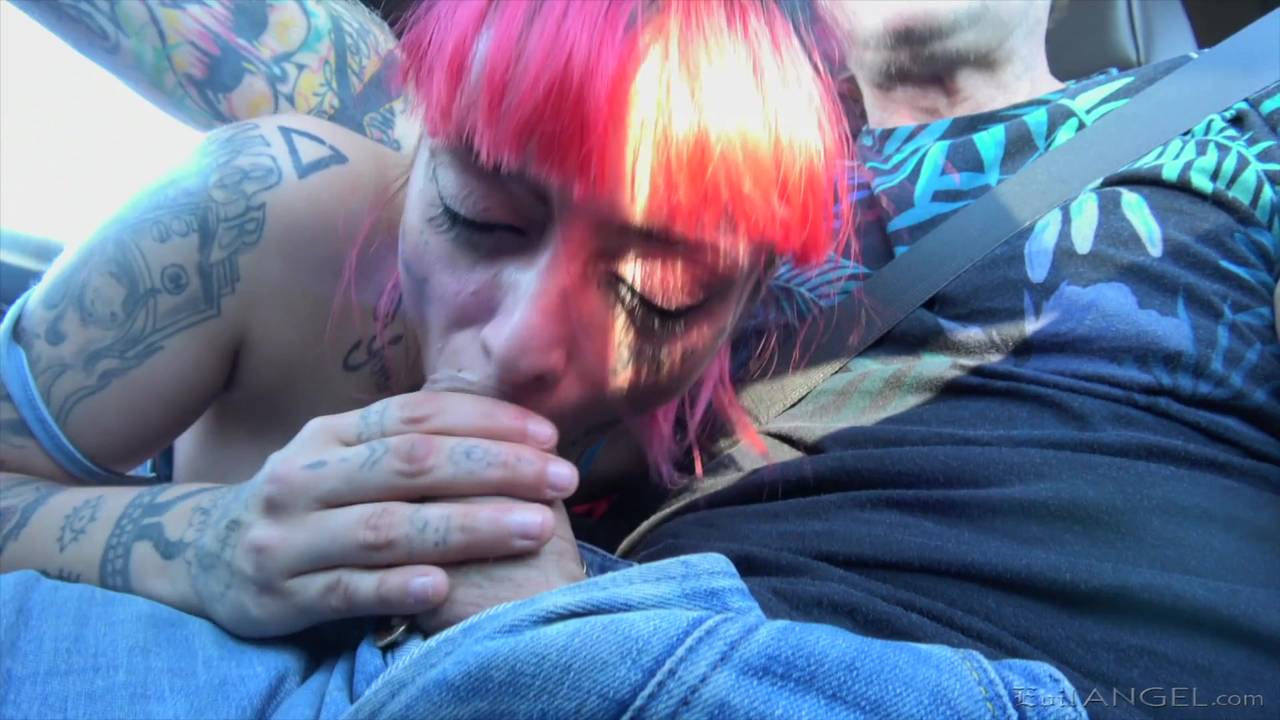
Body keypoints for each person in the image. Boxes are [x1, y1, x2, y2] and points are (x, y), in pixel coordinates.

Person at [3, 0, 1276, 718]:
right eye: (479, 219)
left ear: (752, 295)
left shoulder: (744, 402)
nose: (521, 343)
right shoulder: (270, 207)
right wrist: (202, 539)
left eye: (659, 292)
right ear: (422, 134)